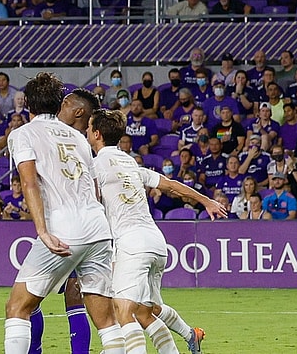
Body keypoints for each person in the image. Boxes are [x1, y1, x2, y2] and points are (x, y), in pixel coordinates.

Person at [3, 72, 124, 354]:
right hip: (98, 228)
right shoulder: (79, 138)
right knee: (105, 318)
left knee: (18, 307)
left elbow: (29, 181)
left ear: (27, 103)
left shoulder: (22, 134)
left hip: (65, 230)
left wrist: (43, 231)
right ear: (57, 102)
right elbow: (93, 190)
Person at [88, 109, 223, 354]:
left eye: (88, 128)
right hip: (155, 241)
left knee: (123, 310)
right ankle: (189, 336)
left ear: (96, 134)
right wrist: (207, 201)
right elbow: (172, 186)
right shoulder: (131, 162)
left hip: (131, 243)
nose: (86, 131)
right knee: (144, 311)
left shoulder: (95, 165)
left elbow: (91, 200)